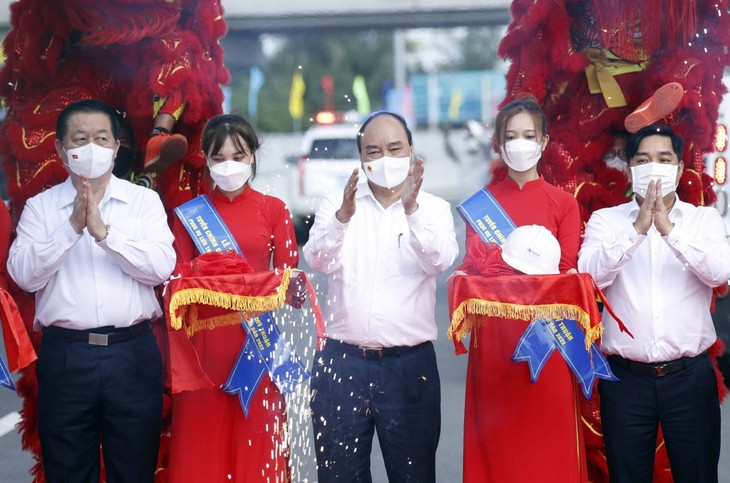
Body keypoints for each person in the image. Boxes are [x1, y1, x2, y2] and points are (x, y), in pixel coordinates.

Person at [6, 99, 176, 482]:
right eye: (80, 139)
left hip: (132, 354)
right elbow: (24, 276)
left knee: (133, 469)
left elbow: (160, 269)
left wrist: (103, 233)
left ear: (117, 148)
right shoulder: (41, 208)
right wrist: (70, 228)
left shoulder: (143, 203)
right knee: (67, 471)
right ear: (61, 150)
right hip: (66, 356)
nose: (92, 148)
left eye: (102, 138)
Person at [303, 111, 458, 482]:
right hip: (340, 364)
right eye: (373, 151)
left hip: (407, 368)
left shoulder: (433, 209)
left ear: (411, 151)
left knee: (413, 474)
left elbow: (440, 260)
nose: (384, 159)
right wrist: (342, 217)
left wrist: (412, 210)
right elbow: (316, 259)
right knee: (339, 475)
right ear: (361, 159)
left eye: (394, 148)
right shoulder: (337, 205)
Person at [578, 124, 730, 483]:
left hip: (690, 377)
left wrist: (669, 231)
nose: (654, 167)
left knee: (698, 474)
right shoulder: (606, 221)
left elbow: (719, 272)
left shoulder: (702, 219)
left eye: (664, 159)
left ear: (678, 169)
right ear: (630, 168)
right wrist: (637, 230)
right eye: (644, 159)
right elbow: (588, 278)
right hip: (626, 380)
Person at [455, 96, 584, 482]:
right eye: (511, 136)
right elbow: (472, 271)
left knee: (550, 451)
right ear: (498, 142)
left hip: (548, 342)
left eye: (529, 135)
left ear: (544, 142)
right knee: (498, 452)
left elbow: (567, 275)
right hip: (494, 345)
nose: (520, 143)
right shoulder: (482, 205)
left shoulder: (563, 204)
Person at [167, 114, 299, 482]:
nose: (229, 165)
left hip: (257, 346)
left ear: (253, 157)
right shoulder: (190, 215)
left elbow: (288, 278)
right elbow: (179, 280)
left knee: (257, 446)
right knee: (201, 448)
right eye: (219, 157)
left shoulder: (275, 210)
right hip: (204, 350)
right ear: (206, 159)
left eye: (238, 156)